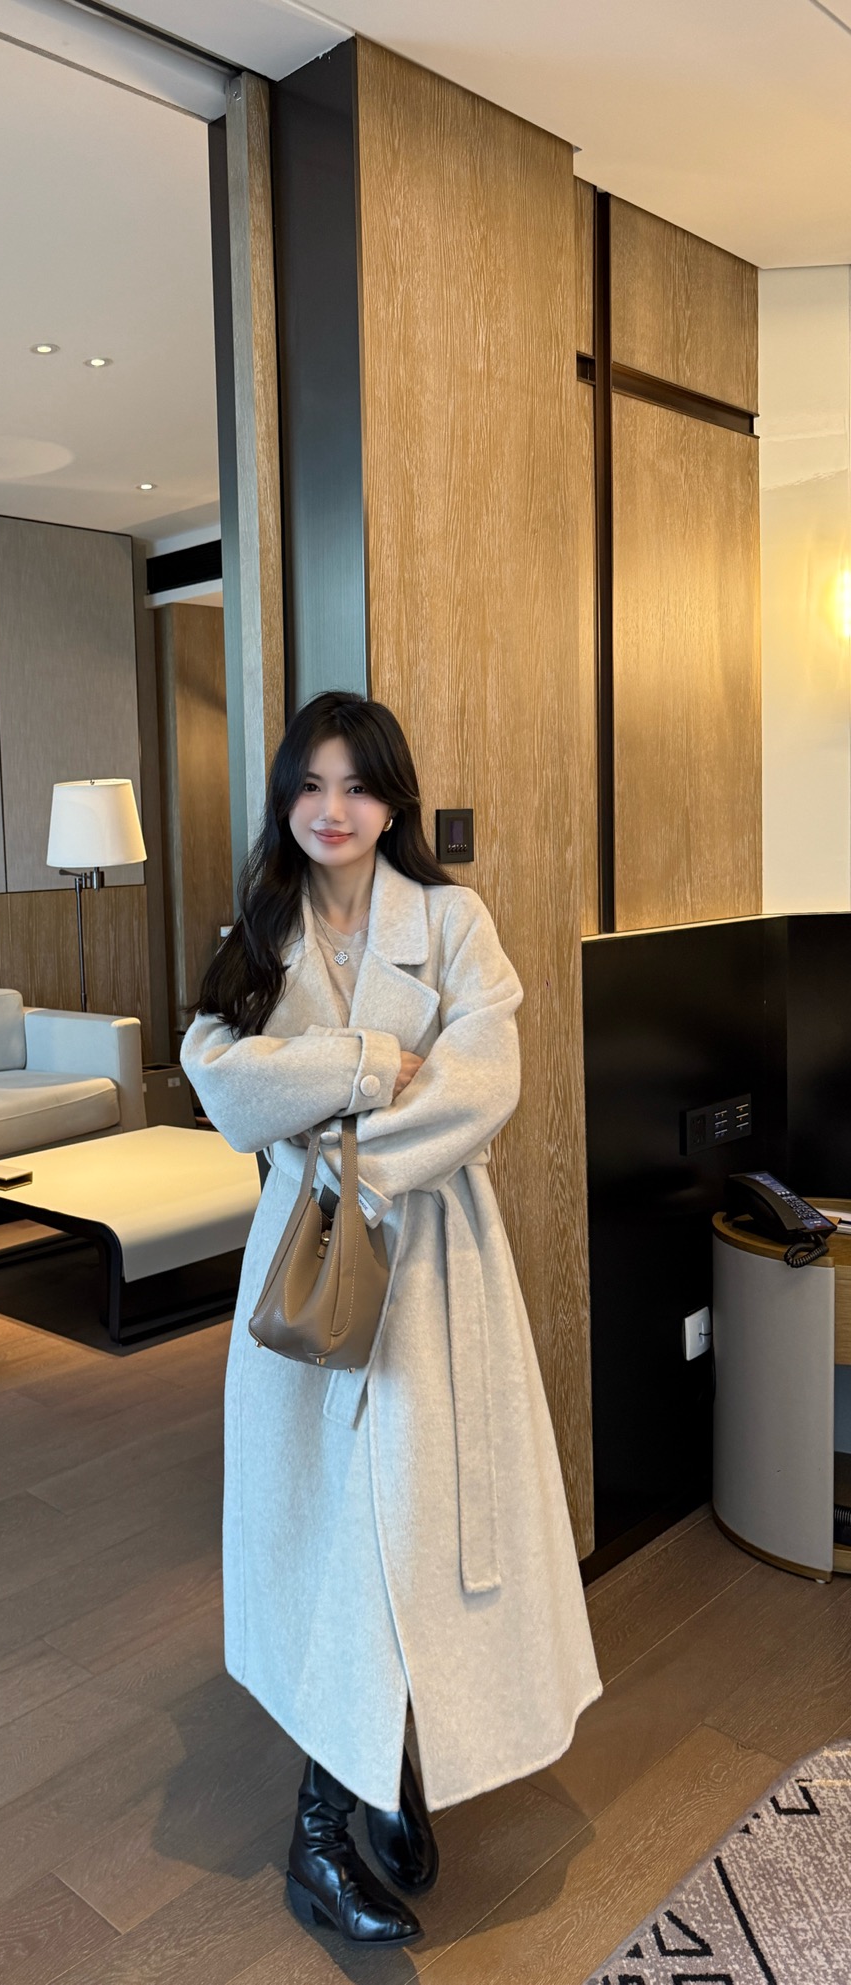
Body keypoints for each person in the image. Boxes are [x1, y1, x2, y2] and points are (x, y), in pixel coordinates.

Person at [180, 691, 601, 1945]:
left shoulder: (453, 921)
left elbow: (486, 1080)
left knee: (413, 1529)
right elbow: (220, 1081)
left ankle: (386, 1771)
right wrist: (366, 1064)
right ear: (285, 798)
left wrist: (337, 1145)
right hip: (310, 1270)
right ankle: (321, 1832)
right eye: (310, 784)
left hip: (432, 1271)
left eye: (357, 785)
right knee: (337, 1538)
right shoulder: (260, 930)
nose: (333, 809)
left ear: (391, 801)